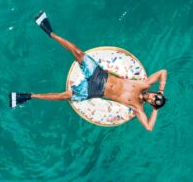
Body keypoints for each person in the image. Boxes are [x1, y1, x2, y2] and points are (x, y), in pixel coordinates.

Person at [9, 12, 168, 131]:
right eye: (155, 96)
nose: (153, 98)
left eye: (154, 100)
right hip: (100, 75)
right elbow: (163, 72)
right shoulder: (143, 84)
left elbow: (149, 127)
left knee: (65, 96)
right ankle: (49, 31)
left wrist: (155, 110)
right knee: (78, 52)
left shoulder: (137, 106)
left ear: (152, 104)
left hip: (95, 90)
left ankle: (28, 96)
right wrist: (161, 90)